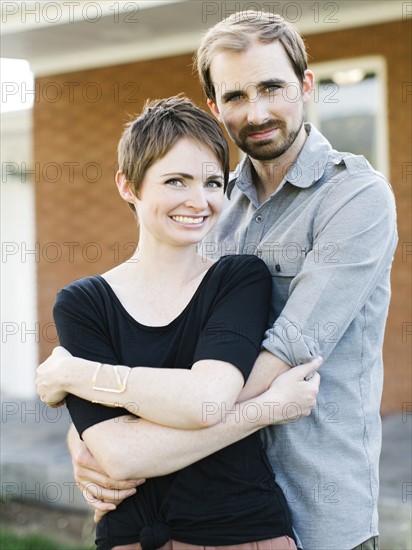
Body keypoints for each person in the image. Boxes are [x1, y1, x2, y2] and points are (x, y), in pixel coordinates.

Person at [53, 11, 397, 550]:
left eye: (272, 87)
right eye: (236, 96)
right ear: (215, 107)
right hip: (210, 510)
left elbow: (285, 355)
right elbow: (166, 347)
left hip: (317, 509)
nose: (257, 112)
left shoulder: (356, 199)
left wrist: (130, 442)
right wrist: (92, 434)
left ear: (306, 87)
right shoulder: (209, 203)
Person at [36, 95, 321, 550]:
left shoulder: (238, 278)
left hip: (243, 534)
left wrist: (77, 375)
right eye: (175, 180)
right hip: (130, 537)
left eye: (212, 182)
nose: (199, 200)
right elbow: (122, 457)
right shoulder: (82, 303)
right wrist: (263, 410)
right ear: (128, 186)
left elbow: (205, 402)